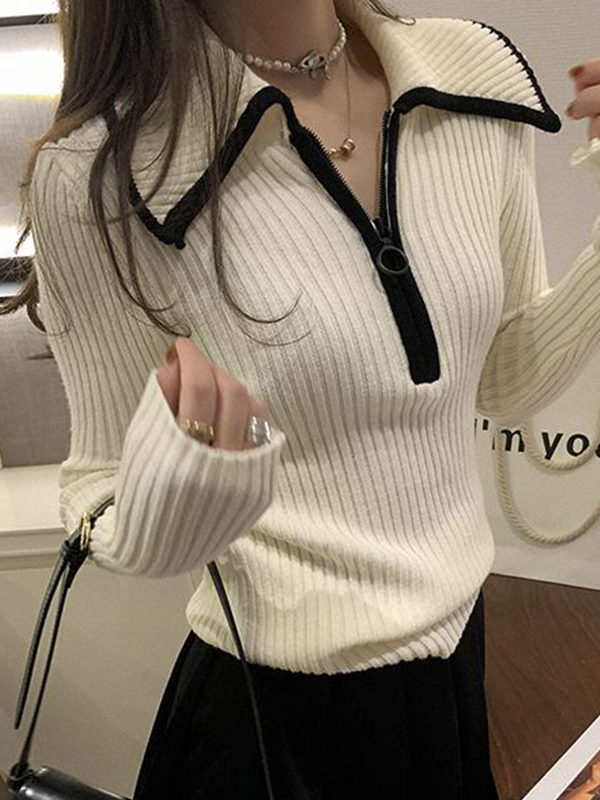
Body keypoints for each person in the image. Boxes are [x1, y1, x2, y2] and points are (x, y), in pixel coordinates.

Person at [2, 0, 600, 797]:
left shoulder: (472, 75)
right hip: (273, 723)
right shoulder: (103, 168)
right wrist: (194, 478)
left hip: (457, 671)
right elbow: (98, 494)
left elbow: (505, 380)